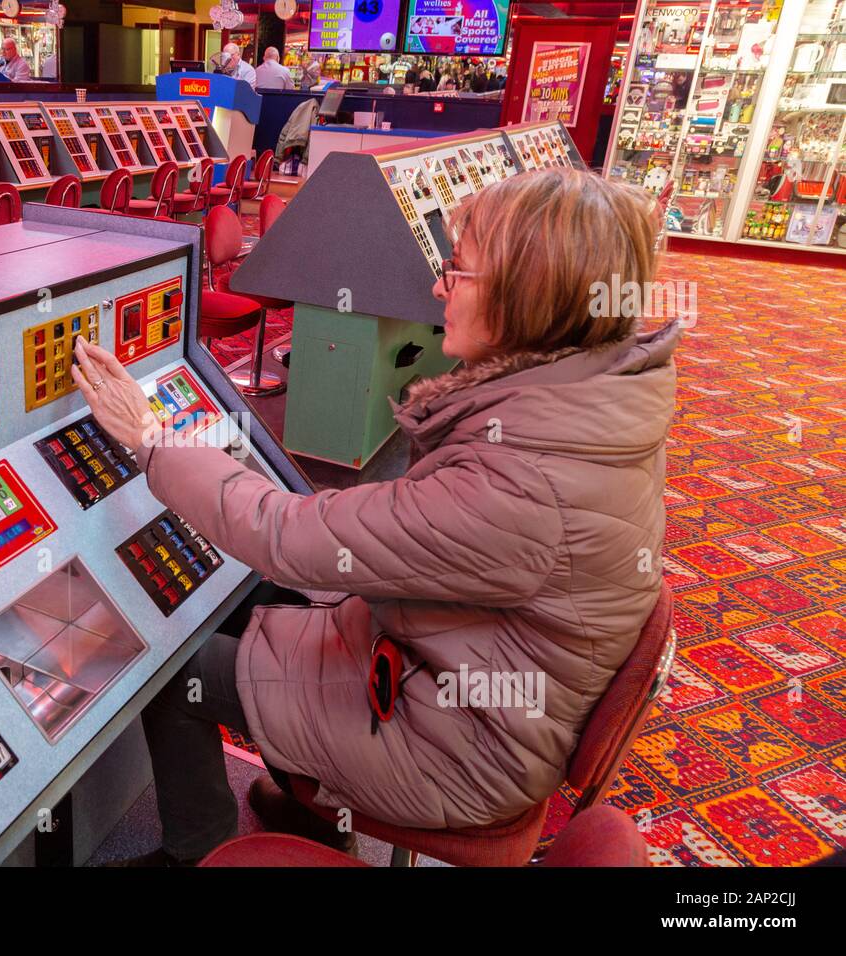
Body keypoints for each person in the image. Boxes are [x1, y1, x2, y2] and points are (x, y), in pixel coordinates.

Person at [71, 168, 678, 866]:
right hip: (474, 683)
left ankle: (193, 851)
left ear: (526, 300)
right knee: (269, 603)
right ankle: (316, 813)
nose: (439, 287)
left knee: (177, 674)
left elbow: (286, 535)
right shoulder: (593, 402)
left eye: (460, 270)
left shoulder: (524, 481)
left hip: (457, 747)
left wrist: (151, 440)